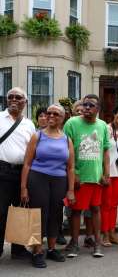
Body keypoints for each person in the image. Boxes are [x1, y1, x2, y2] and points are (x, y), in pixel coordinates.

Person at [20, 104, 75, 268]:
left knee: (55, 214)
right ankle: (37, 251)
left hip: (59, 180)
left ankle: (51, 249)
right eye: (48, 113)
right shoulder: (37, 136)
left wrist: (71, 190)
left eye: (55, 114)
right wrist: (24, 187)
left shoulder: (67, 139)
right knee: (38, 215)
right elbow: (27, 164)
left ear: (63, 118)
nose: (51, 116)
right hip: (38, 178)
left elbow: (70, 167)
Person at [63, 94, 110, 258]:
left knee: (96, 209)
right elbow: (66, 152)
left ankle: (97, 244)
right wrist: (73, 173)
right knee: (76, 211)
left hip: (96, 177)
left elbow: (105, 151)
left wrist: (106, 174)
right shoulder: (71, 123)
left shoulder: (103, 125)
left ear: (98, 109)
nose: (87, 108)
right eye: (85, 105)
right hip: (78, 178)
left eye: (91, 105)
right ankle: (75, 244)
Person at [0, 87, 35, 260]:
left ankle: (18, 250)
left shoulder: (29, 124)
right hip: (2, 171)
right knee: (1, 213)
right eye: (11, 97)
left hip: (22, 173)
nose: (14, 99)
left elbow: (32, 150)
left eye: (18, 97)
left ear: (25, 102)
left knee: (21, 211)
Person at [100, 104, 118, 246]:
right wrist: (103, 173)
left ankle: (112, 232)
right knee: (105, 204)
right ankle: (104, 234)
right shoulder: (105, 128)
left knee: (114, 205)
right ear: (114, 114)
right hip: (108, 172)